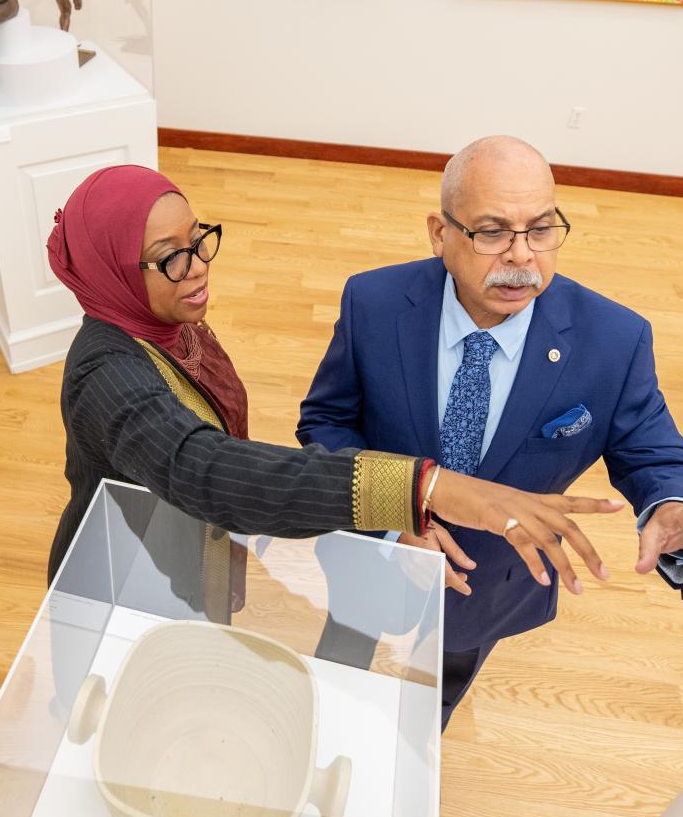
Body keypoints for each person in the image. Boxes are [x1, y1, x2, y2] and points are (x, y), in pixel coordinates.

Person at [298, 136, 683, 725]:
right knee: (341, 661)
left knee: (435, 691)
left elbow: (652, 447)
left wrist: (677, 504)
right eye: (491, 232)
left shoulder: (613, 341)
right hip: (373, 553)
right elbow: (327, 421)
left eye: (541, 230)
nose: (521, 258)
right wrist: (392, 514)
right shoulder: (374, 301)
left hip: (493, 583)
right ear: (440, 234)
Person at [43, 164, 629, 586]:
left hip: (184, 549)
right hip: (124, 573)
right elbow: (205, 469)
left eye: (199, 240)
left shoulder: (166, 322)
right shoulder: (106, 373)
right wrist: (424, 487)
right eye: (170, 256)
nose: (197, 267)